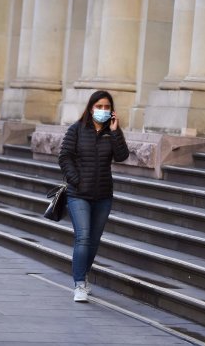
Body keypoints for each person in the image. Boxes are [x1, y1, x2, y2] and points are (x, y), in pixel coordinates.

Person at [58, 90, 129, 302]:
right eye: (99, 107)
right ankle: (79, 284)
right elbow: (64, 157)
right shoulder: (77, 130)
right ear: (91, 108)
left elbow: (122, 156)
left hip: (103, 196)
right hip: (78, 194)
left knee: (94, 241)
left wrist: (116, 132)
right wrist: (76, 180)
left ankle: (83, 275)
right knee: (83, 237)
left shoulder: (112, 132)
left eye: (107, 107)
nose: (103, 111)